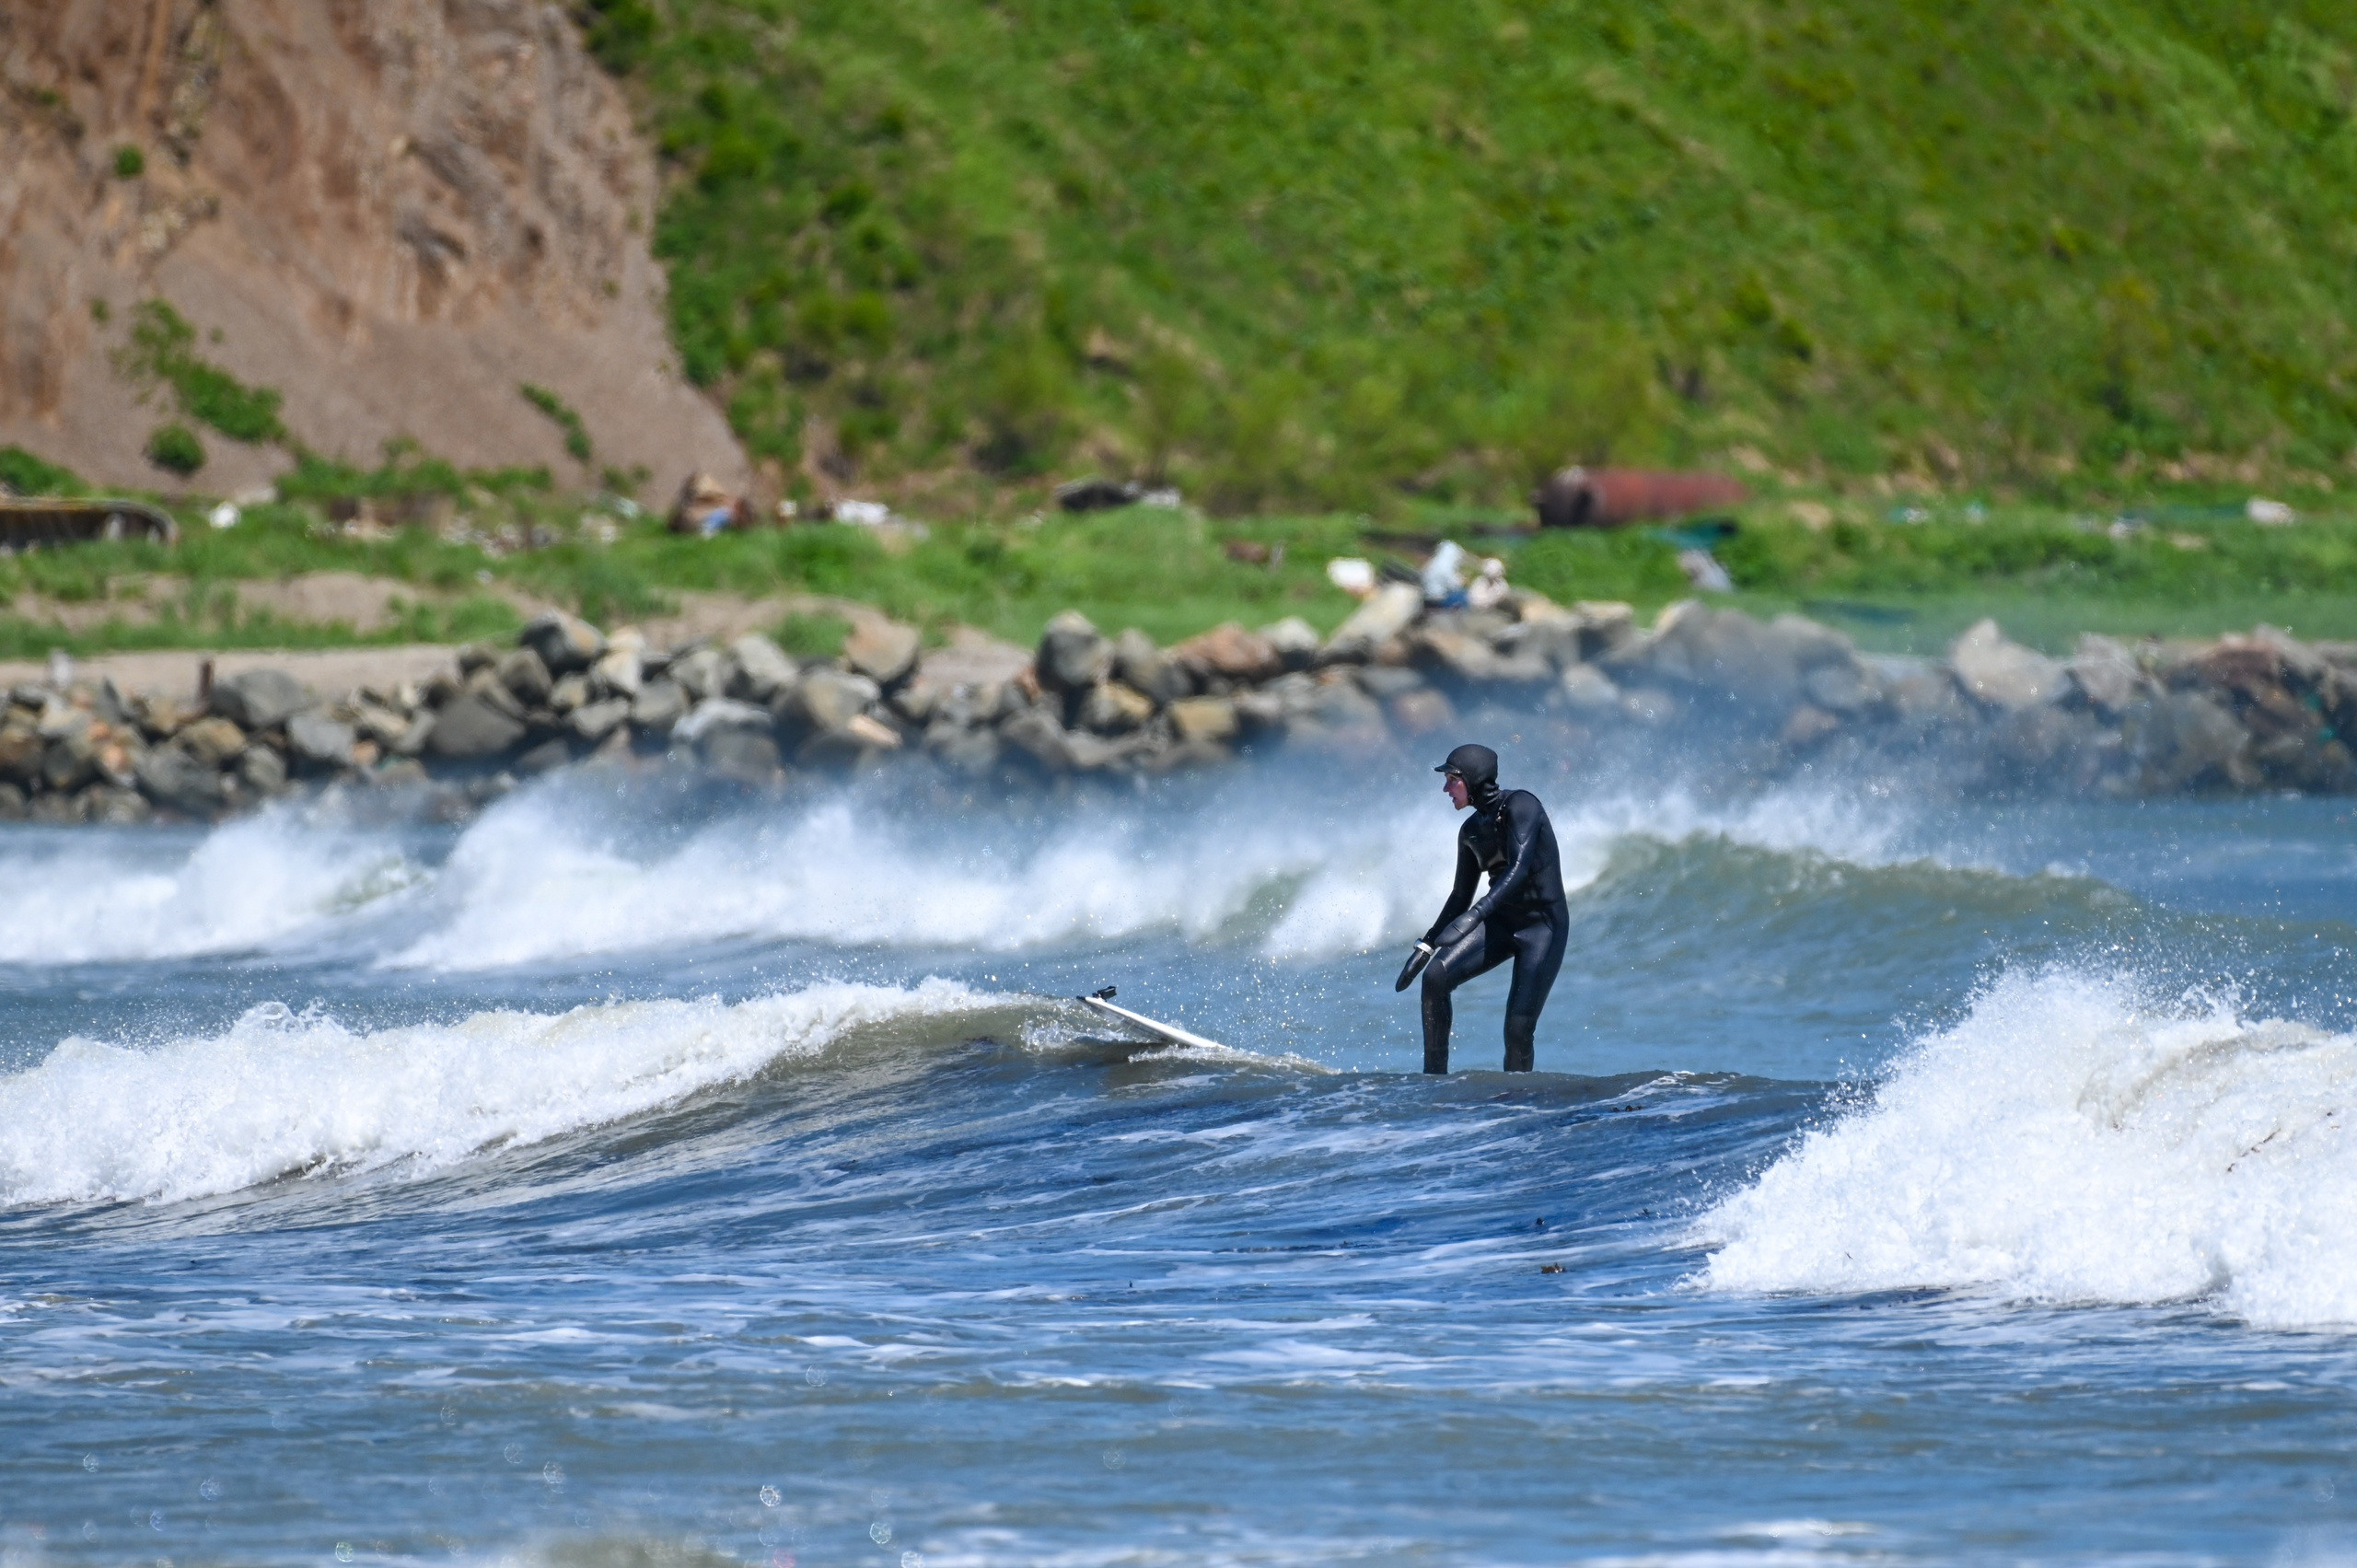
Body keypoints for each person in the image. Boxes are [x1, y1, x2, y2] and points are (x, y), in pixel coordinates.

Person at [1399, 743, 1568, 1074]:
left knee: (1517, 1030)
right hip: (1502, 920)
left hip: (1542, 927)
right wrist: (1426, 944)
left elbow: (1518, 869)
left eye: (1452, 779)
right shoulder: (1471, 831)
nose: (1446, 788)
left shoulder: (1522, 805)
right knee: (1435, 977)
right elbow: (1460, 894)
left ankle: (1517, 1104)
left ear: (1473, 779)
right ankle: (1434, 1084)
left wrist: (1476, 915)